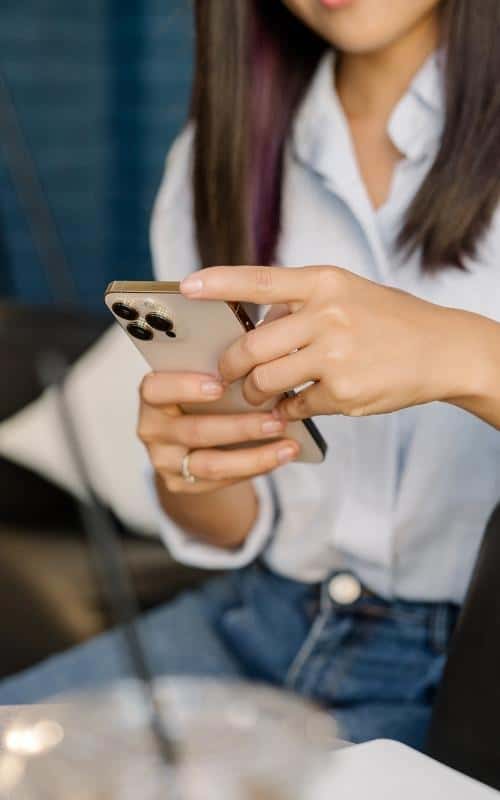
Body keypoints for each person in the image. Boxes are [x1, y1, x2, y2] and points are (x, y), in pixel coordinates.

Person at [1, 0, 500, 750]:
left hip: (472, 670)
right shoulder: (218, 153)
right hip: (257, 624)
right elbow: (237, 521)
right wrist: (190, 468)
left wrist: (460, 355)